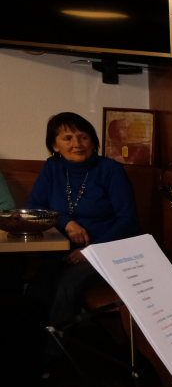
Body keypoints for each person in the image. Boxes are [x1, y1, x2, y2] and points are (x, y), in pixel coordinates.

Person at [26, 112, 140, 329]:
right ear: (55, 145)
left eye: (83, 137)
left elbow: (129, 221)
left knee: (68, 285)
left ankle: (59, 344)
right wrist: (66, 222)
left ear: (93, 142)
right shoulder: (52, 167)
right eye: (67, 138)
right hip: (64, 250)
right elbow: (34, 207)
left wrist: (91, 252)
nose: (77, 144)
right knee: (38, 287)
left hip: (109, 251)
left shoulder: (111, 170)